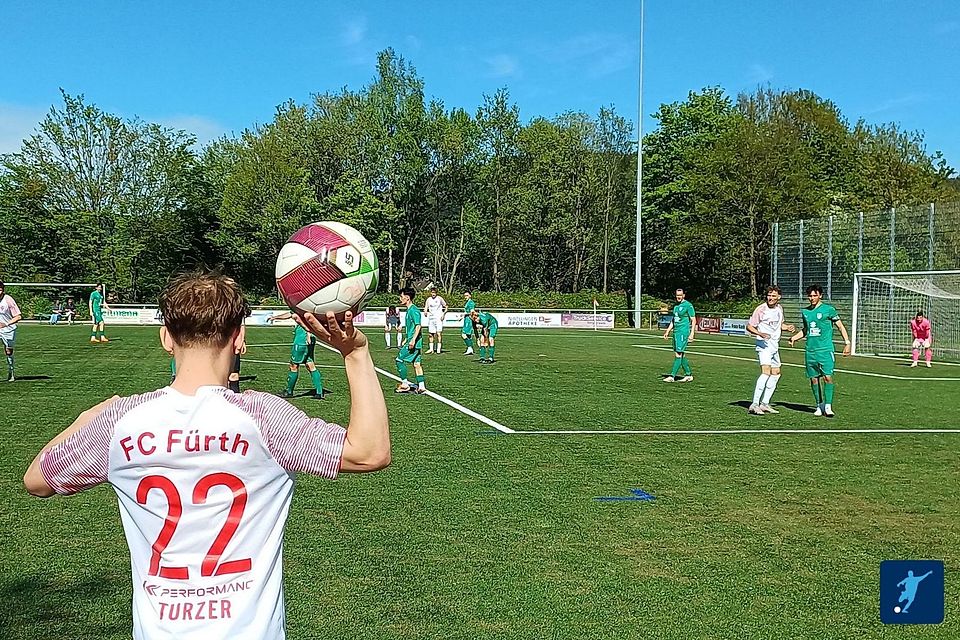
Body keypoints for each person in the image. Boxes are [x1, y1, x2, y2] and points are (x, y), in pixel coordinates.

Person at [23, 270, 390, 640]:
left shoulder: (120, 423)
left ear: (166, 337)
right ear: (239, 337)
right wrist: (355, 353)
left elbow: (36, 480)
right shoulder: (264, 418)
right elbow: (370, 452)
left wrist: (87, 418)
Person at [788, 284, 851, 417]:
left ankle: (828, 406)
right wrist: (794, 338)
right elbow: (806, 330)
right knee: (814, 379)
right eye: (810, 296)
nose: (812, 298)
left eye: (814, 295)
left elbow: (840, 326)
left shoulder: (829, 310)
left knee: (827, 377)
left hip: (825, 350)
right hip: (810, 351)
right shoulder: (805, 312)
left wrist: (847, 343)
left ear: (820, 295)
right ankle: (819, 405)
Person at [745, 285, 796, 415]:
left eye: (773, 296)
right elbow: (750, 326)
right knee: (766, 372)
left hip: (774, 346)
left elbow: (779, 325)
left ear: (779, 297)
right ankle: (754, 404)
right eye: (769, 295)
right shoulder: (761, 309)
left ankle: (765, 403)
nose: (770, 298)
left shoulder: (779, 308)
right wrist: (760, 334)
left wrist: (787, 327)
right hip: (763, 346)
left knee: (776, 372)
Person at [268, 311, 326, 399]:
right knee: (310, 364)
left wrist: (308, 334)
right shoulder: (308, 306)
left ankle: (289, 391)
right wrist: (275, 317)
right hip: (309, 338)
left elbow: (309, 320)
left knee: (293, 365)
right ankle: (319, 392)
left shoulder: (304, 307)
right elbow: (290, 314)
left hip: (302, 340)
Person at [395, 287, 426, 393]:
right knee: (417, 364)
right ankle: (421, 387)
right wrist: (406, 338)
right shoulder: (409, 310)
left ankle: (405, 384)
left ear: (407, 298)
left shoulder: (414, 310)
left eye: (401, 296)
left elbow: (418, 326)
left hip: (414, 342)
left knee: (399, 360)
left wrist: (412, 340)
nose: (400, 299)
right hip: (415, 341)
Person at [662, 288, 696, 383]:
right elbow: (674, 319)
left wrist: (692, 333)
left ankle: (672, 376)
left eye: (680, 295)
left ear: (684, 295)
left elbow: (693, 320)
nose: (678, 297)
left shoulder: (688, 305)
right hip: (676, 332)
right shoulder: (676, 306)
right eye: (677, 295)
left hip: (683, 332)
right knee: (681, 353)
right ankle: (688, 374)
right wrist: (668, 331)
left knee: (678, 353)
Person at [0, 282, 23, 382]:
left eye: (0, 288)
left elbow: (18, 316)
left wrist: (6, 324)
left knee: (8, 351)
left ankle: (11, 371)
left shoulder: (8, 299)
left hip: (8, 329)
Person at [423, 287, 448, 354]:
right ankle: (431, 349)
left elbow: (446, 306)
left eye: (434, 292)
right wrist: (425, 311)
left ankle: (438, 349)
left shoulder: (440, 298)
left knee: (438, 333)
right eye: (432, 292)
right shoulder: (429, 299)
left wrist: (443, 314)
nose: (433, 294)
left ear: (436, 293)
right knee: (430, 334)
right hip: (431, 318)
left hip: (438, 318)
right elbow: (426, 307)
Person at [461, 291, 476, 355]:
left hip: (469, 319)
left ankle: (470, 348)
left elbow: (472, 311)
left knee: (463, 334)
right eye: (465, 296)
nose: (465, 297)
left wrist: (465, 314)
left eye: (467, 295)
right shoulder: (468, 302)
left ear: (470, 295)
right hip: (467, 319)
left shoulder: (471, 303)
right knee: (468, 335)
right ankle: (470, 348)